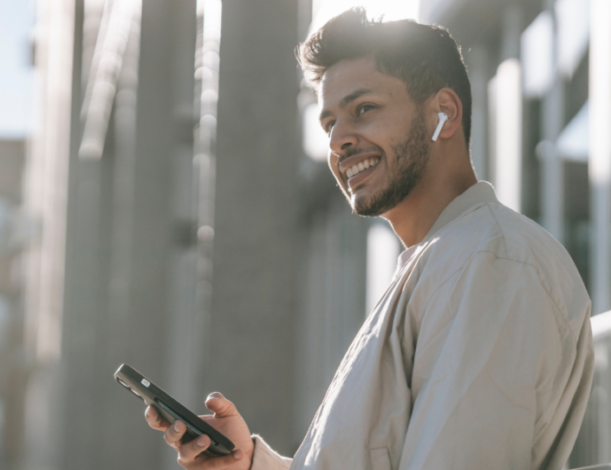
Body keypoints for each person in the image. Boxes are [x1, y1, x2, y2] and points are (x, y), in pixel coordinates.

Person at [144, 8, 594, 470]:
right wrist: (250, 464)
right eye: (329, 124)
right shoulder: (442, 264)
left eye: (364, 109)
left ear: (444, 112)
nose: (339, 140)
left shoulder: (489, 261)